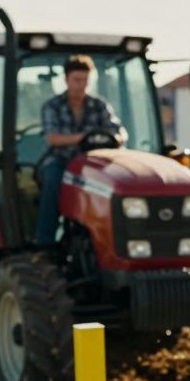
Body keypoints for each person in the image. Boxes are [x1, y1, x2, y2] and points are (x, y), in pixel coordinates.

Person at [35, 54, 127, 245]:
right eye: (77, 80)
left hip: (93, 162)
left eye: (85, 80)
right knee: (52, 179)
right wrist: (86, 137)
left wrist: (115, 138)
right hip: (62, 160)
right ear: (66, 79)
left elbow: (118, 132)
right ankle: (45, 241)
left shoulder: (99, 105)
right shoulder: (53, 106)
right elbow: (53, 138)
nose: (81, 85)